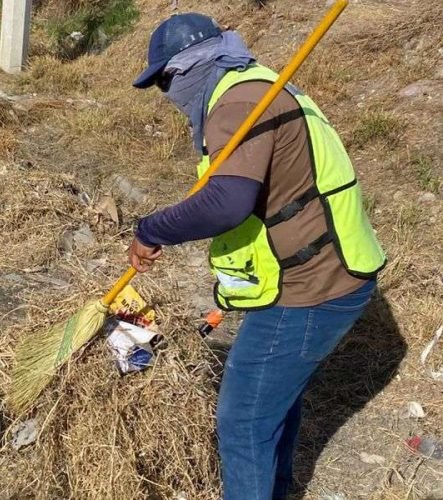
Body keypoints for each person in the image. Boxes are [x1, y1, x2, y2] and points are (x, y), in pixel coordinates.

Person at [128, 13, 386, 500]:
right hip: (319, 274)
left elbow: (227, 203)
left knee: (244, 418)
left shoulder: (239, 102)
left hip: (314, 287)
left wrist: (151, 229)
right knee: (271, 406)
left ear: (187, 69)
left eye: (164, 81)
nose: (167, 95)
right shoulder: (253, 86)